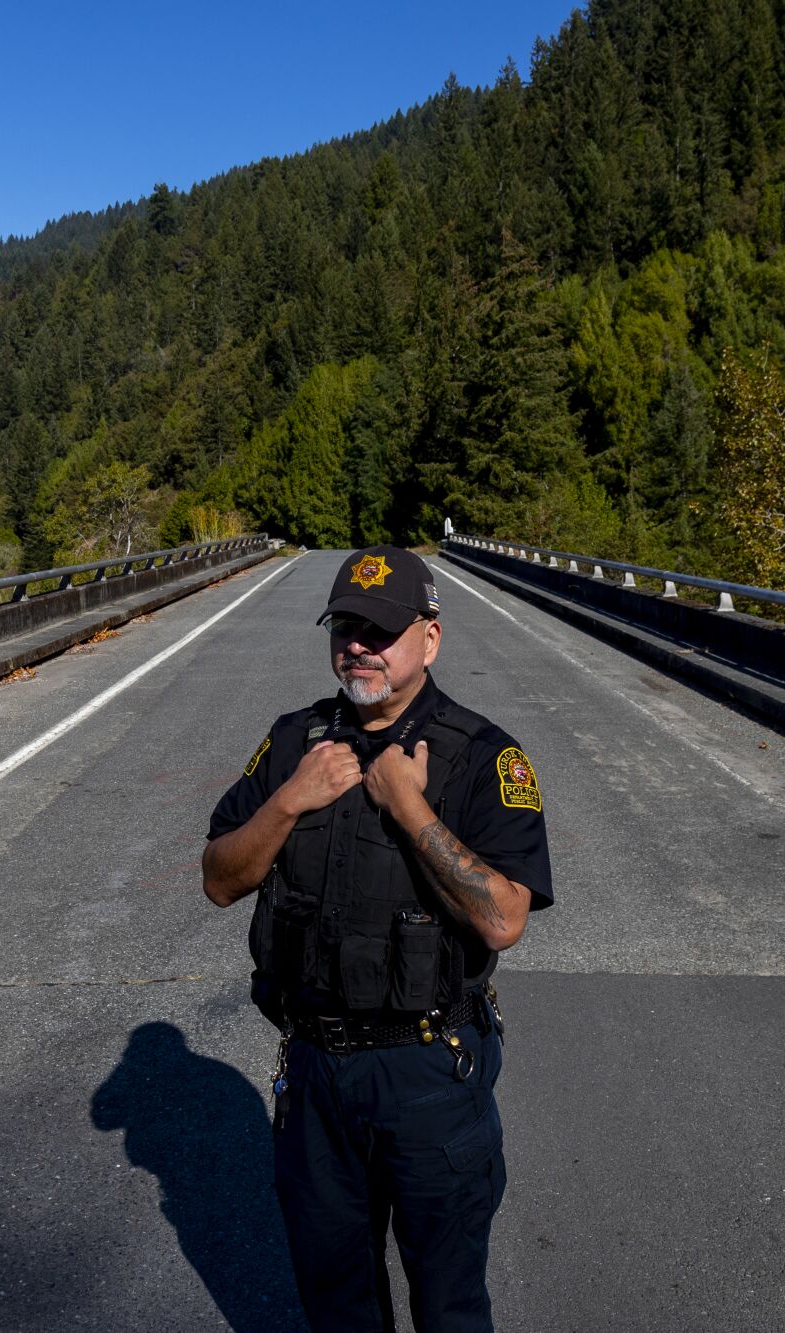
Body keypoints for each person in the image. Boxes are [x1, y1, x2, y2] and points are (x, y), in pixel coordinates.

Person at [203, 545, 554, 1333]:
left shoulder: (482, 756)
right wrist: (288, 801)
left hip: (428, 1072)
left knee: (449, 1305)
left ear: (430, 638)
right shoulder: (294, 740)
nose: (358, 643)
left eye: (381, 629)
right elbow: (219, 877)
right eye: (346, 626)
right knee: (336, 1304)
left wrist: (410, 808)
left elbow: (504, 918)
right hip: (317, 1072)